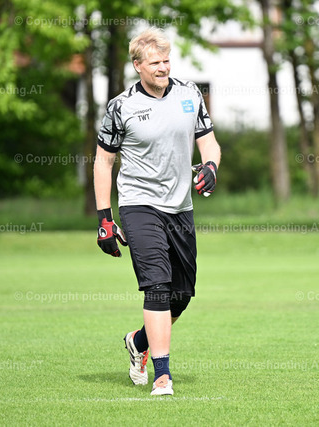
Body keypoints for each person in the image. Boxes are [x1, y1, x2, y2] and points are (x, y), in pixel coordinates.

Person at [93, 27, 221, 396]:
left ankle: (139, 342)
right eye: (155, 62)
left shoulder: (189, 94)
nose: (163, 68)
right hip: (138, 205)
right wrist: (105, 218)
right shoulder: (121, 106)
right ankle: (162, 375)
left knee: (182, 295)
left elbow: (209, 143)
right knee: (158, 286)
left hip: (180, 207)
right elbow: (104, 162)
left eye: (166, 60)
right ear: (137, 66)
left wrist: (210, 167)